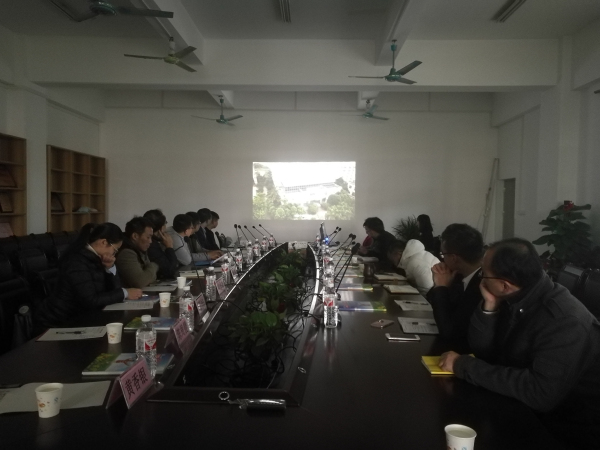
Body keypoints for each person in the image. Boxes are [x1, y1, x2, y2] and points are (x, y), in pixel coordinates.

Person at [439, 238, 600, 450]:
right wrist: (489, 306)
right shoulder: (518, 294)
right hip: (524, 408)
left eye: (483, 274)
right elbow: (484, 352)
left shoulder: (564, 320)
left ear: (505, 284)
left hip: (565, 428)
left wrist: (462, 365)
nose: (481, 280)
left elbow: (540, 393)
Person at [36, 223, 142, 328]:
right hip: (59, 322)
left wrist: (110, 268)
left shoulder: (96, 258)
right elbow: (90, 300)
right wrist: (124, 293)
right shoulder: (77, 261)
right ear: (104, 242)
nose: (114, 254)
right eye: (115, 250)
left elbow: (113, 290)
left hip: (80, 317)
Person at [426, 223, 483, 349]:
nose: (442, 259)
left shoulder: (481, 284)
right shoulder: (460, 275)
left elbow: (449, 331)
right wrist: (442, 285)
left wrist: (441, 287)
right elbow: (430, 300)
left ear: (453, 258)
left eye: (443, 254)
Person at [115, 216, 158, 288]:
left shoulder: (139, 249)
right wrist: (154, 266)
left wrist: (148, 275)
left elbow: (151, 277)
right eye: (148, 237)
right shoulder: (126, 253)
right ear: (135, 236)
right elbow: (141, 282)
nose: (150, 241)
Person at [143, 209, 179, 280]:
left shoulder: (155, 242)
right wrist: (169, 247)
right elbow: (169, 270)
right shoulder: (151, 244)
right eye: (165, 223)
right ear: (161, 228)